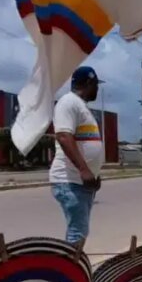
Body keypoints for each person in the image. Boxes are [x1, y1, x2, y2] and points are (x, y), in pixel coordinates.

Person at [50, 66, 104, 244]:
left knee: (79, 232)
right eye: (96, 85)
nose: (98, 89)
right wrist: (84, 169)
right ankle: (68, 271)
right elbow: (64, 136)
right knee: (77, 234)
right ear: (89, 83)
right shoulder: (68, 102)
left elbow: (82, 141)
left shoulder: (81, 106)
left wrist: (94, 173)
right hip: (71, 181)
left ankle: (71, 269)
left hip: (81, 182)